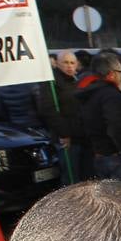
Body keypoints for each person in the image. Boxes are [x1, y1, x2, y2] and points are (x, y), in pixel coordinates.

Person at [76, 51, 121, 183]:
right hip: (117, 157)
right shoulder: (110, 95)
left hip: (99, 155)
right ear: (112, 74)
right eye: (120, 72)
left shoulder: (88, 94)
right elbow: (115, 126)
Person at [37, 49, 91, 183]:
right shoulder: (52, 83)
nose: (69, 66)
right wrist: (64, 133)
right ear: (57, 63)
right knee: (71, 176)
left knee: (85, 174)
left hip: (82, 136)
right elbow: (48, 110)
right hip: (67, 139)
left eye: (72, 63)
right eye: (65, 62)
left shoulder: (76, 80)